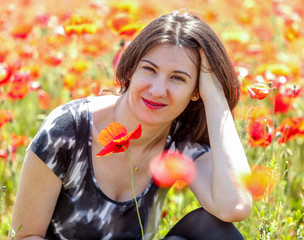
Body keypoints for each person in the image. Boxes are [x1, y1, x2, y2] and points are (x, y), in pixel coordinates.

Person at [9, 10, 252, 240]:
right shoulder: (68, 131)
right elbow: (24, 235)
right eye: (149, 69)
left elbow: (235, 206)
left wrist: (216, 97)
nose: (157, 90)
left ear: (196, 91)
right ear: (131, 70)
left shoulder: (180, 141)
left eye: (178, 78)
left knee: (211, 228)